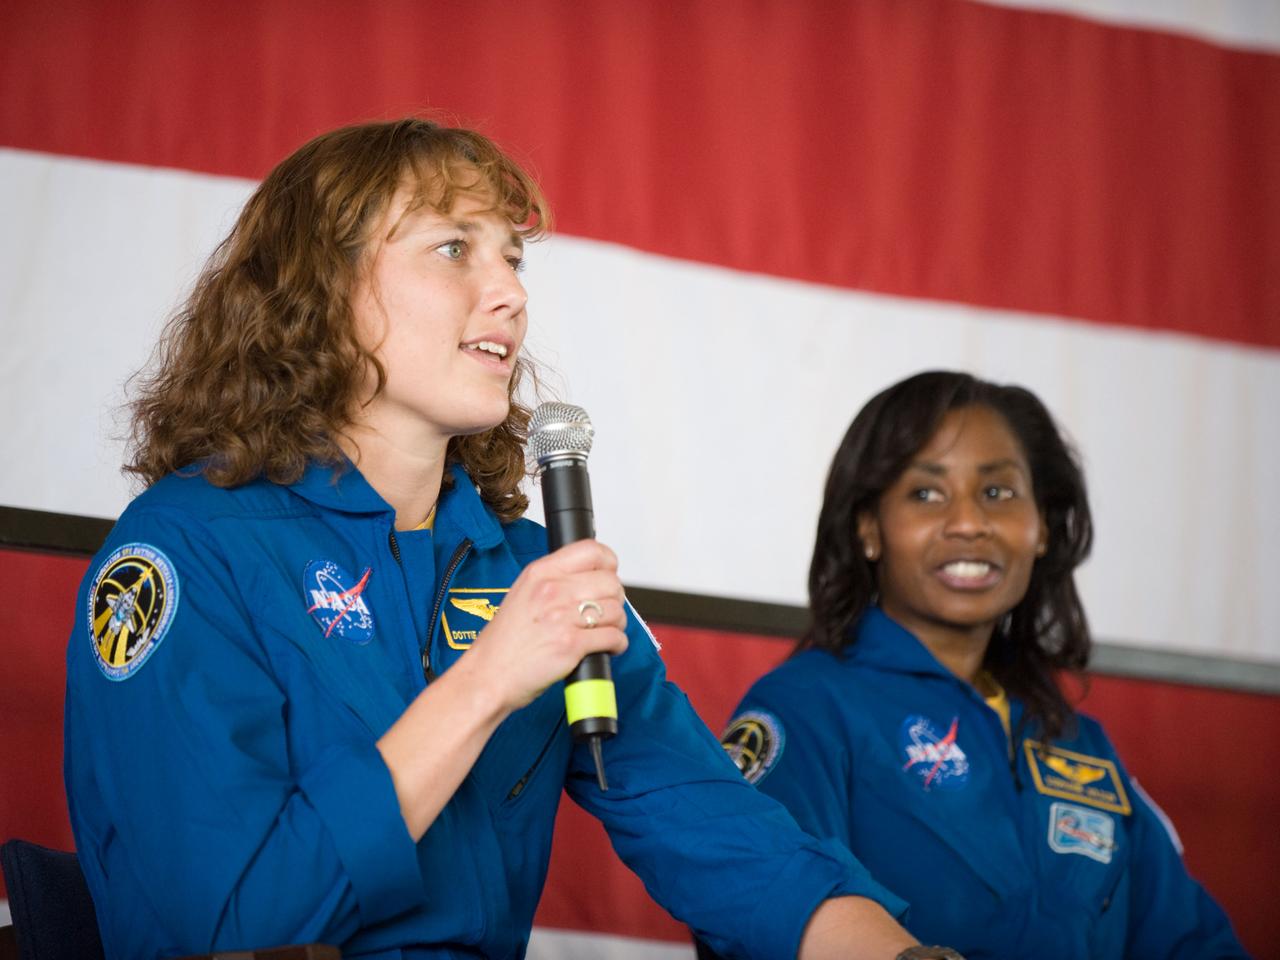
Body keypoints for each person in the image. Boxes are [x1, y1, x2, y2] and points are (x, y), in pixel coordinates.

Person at [62, 118, 952, 960]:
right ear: (321, 291)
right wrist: (488, 679)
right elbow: (224, 920)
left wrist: (907, 954)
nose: (513, 295)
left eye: (514, 259)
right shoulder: (188, 549)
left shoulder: (528, 569)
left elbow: (723, 832)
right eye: (454, 249)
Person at [716, 371, 1248, 958]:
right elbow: (756, 918)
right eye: (926, 493)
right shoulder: (806, 709)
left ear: (1042, 526)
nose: (969, 522)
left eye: (997, 493)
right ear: (868, 527)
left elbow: (1190, 943)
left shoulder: (1081, 746)